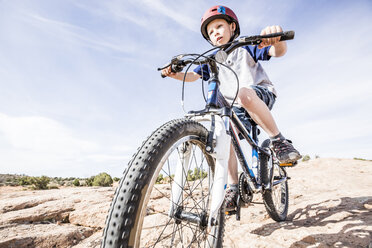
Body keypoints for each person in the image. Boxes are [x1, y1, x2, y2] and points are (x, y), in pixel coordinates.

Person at [161, 5, 301, 211]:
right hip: (234, 109)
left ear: (232, 26)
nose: (215, 32)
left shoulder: (244, 47)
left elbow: (276, 52)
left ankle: (279, 141)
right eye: (210, 32)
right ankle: (233, 186)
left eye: (219, 26)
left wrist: (276, 40)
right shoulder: (211, 61)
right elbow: (192, 76)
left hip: (258, 95)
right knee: (222, 132)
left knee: (244, 94)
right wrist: (174, 73)